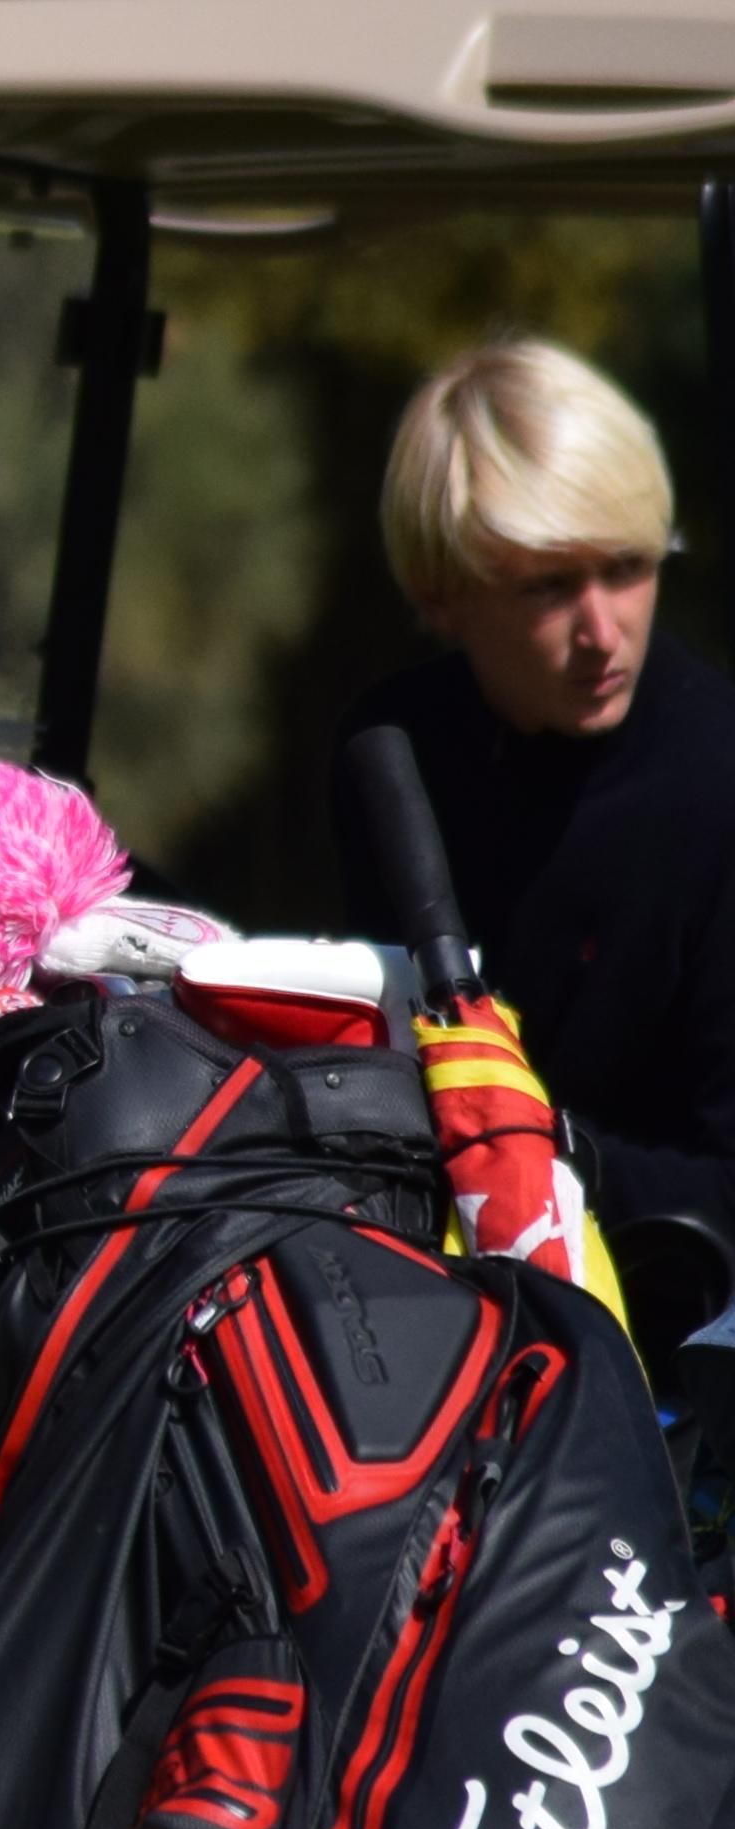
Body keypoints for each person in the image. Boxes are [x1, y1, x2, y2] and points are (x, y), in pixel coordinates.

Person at [341, 337, 735, 1237]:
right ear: (443, 591)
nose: (605, 630)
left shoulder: (716, 779)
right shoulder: (390, 759)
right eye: (550, 588)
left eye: (630, 568)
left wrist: (538, 1151)